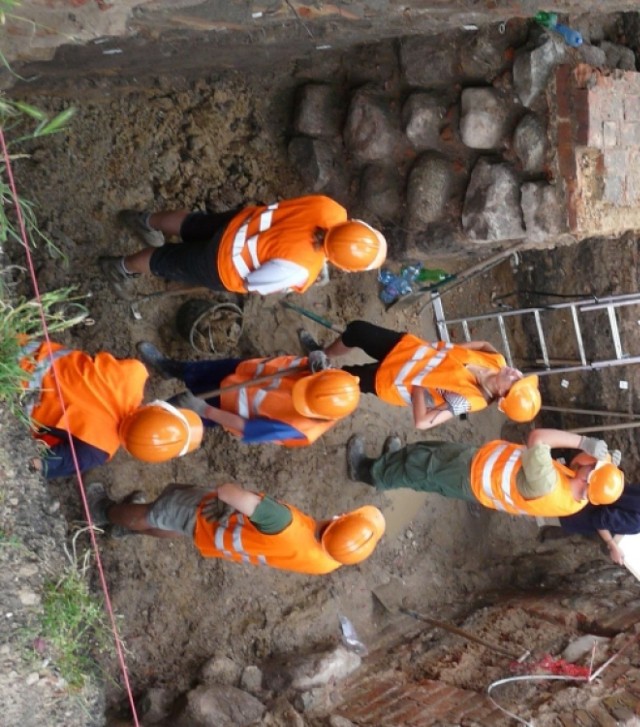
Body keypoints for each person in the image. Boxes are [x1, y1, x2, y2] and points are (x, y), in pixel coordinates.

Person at [98, 196, 387, 299]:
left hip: (242, 222)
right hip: (222, 264)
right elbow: (255, 282)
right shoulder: (302, 270)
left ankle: (144, 221)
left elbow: (297, 221)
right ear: (342, 265)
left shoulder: (331, 207)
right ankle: (119, 267)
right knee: (166, 260)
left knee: (191, 224)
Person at [87, 481, 386, 575]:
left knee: (158, 513)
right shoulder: (329, 561)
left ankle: (104, 511)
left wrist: (230, 494)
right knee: (174, 525)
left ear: (339, 518)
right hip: (218, 541)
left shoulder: (283, 521)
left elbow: (228, 494)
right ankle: (126, 530)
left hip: (207, 516)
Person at [299, 320, 541, 430]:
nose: (515, 372)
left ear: (502, 395)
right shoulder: (497, 362)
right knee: (357, 331)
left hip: (392, 380)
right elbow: (485, 344)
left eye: (516, 381)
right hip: (407, 349)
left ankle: (306, 384)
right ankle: (323, 353)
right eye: (520, 376)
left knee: (343, 379)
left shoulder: (469, 400)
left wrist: (418, 388)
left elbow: (422, 422)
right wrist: (447, 351)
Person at [20, 339, 203, 478]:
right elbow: (37, 464)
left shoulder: (133, 374)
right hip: (10, 398)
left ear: (157, 406)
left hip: (20, 348)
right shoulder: (98, 451)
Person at [346, 428, 625, 518]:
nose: (590, 461)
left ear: (588, 478)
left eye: (594, 466)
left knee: (420, 467)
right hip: (478, 465)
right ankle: (391, 459)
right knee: (426, 452)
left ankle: (369, 472)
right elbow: (582, 469)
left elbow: (537, 437)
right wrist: (604, 459)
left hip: (470, 474)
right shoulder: (581, 494)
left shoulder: (548, 485)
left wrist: (582, 442)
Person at [137, 342, 360, 447]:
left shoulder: (299, 429)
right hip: (245, 372)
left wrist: (203, 409)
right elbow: (315, 367)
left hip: (226, 407)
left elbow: (246, 428)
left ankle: (145, 421)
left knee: (178, 411)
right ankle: (170, 368)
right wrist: (316, 359)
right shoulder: (335, 384)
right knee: (198, 371)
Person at [539, 484, 640, 566]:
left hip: (578, 488)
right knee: (534, 509)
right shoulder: (637, 524)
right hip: (573, 512)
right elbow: (599, 520)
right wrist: (613, 546)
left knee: (538, 490)